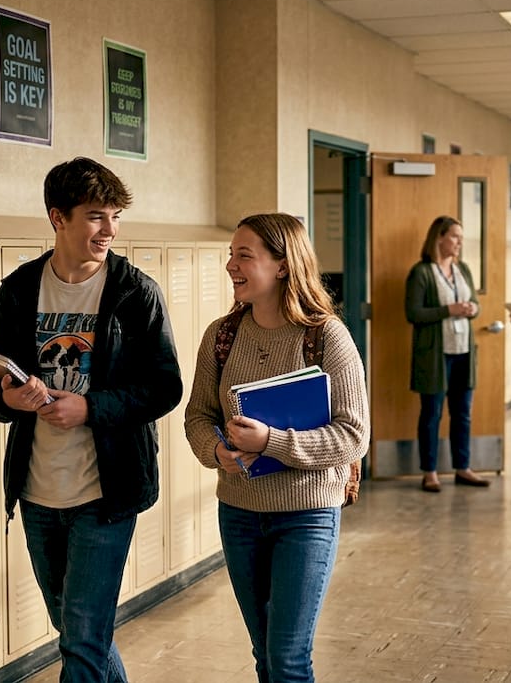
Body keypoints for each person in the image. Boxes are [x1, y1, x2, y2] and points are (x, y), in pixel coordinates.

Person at [0, 157, 183, 682]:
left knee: (84, 639)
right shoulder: (20, 290)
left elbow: (165, 387)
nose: (109, 230)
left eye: (115, 216)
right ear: (58, 218)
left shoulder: (138, 294)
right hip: (37, 493)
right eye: (96, 216)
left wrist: (91, 408)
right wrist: (11, 399)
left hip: (106, 494)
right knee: (77, 636)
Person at [185, 213, 369, 681]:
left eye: (244, 256)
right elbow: (198, 417)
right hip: (240, 513)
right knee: (264, 655)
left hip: (306, 514)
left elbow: (353, 434)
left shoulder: (327, 336)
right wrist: (217, 451)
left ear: (283, 266)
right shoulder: (221, 337)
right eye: (231, 254)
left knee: (287, 658)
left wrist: (272, 441)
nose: (231, 265)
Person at [405, 215, 489, 491]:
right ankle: (430, 471)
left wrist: (472, 309)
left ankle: (462, 467)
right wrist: (449, 310)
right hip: (435, 355)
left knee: (462, 413)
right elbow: (413, 313)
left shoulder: (462, 268)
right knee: (432, 413)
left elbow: (475, 302)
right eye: (455, 236)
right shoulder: (422, 272)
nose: (459, 243)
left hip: (464, 351)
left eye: (461, 238)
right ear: (439, 238)